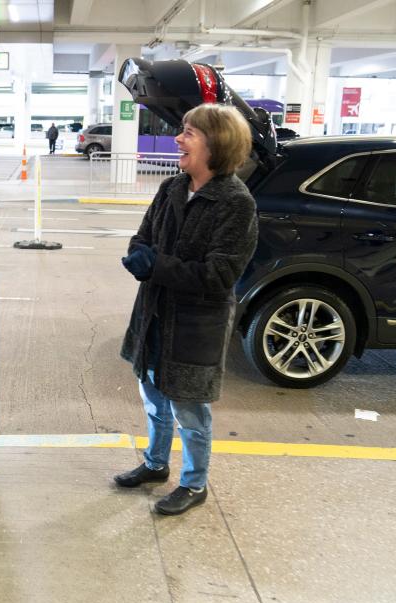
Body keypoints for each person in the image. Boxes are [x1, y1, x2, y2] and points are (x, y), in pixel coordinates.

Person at [113, 103, 258, 516]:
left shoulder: (235, 203)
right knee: (154, 398)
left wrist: (155, 265)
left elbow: (220, 273)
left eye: (189, 132)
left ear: (217, 143)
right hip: (155, 314)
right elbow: (141, 237)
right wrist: (140, 255)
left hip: (195, 324)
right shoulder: (172, 188)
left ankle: (194, 484)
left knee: (190, 410)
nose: (178, 138)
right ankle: (156, 465)